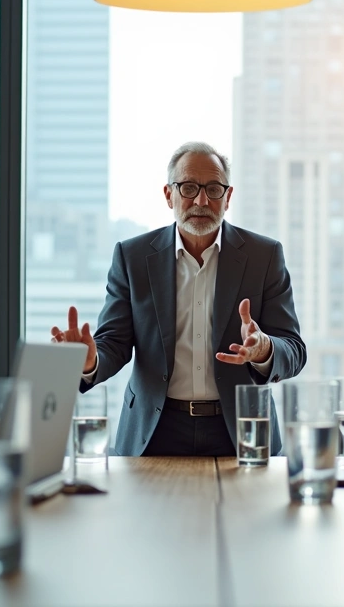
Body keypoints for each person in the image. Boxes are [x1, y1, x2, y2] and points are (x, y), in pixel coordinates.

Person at [53, 142, 306, 457]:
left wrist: (265, 349)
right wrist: (91, 362)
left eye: (213, 189)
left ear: (228, 198)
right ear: (168, 194)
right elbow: (114, 342)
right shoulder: (133, 257)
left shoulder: (263, 256)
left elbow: (293, 349)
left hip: (239, 428)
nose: (201, 200)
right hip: (155, 428)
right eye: (188, 187)